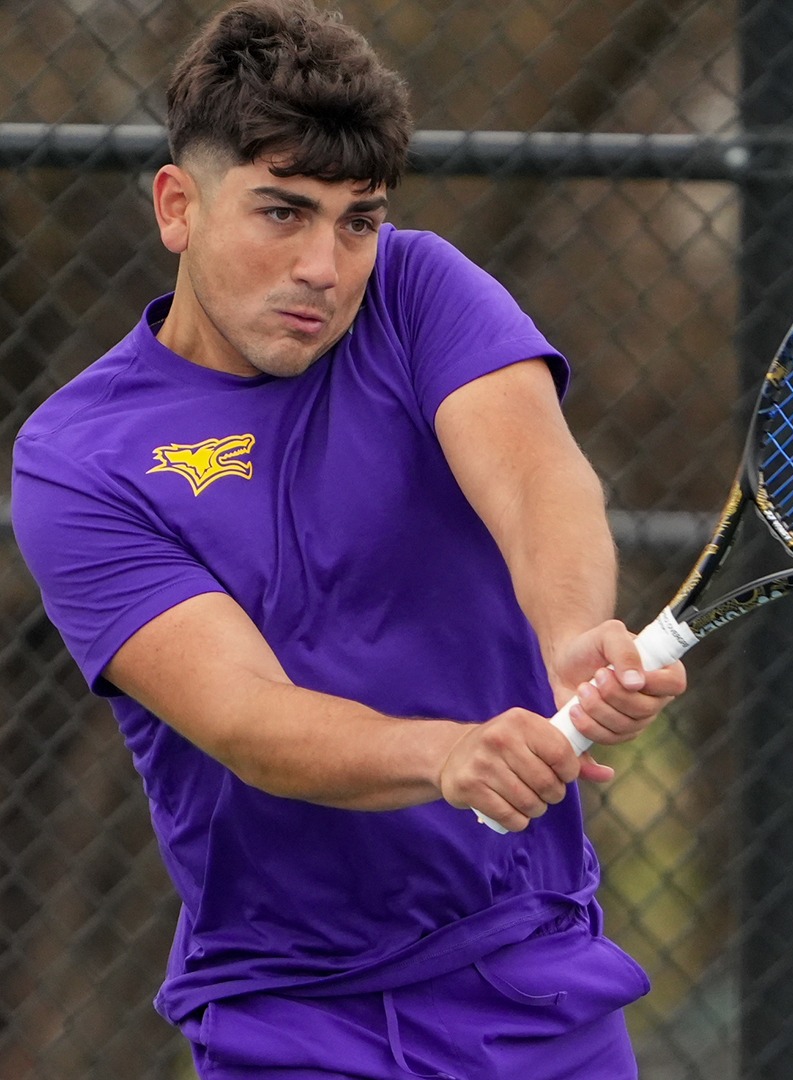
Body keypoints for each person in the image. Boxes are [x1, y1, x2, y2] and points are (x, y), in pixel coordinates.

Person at [9, 1, 684, 1075]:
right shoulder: (76, 460)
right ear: (178, 206)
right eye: (283, 212)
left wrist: (570, 633)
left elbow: (537, 476)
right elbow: (244, 716)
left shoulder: (417, 290)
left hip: (535, 976)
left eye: (357, 220)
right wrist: (448, 754)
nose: (327, 264)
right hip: (289, 1017)